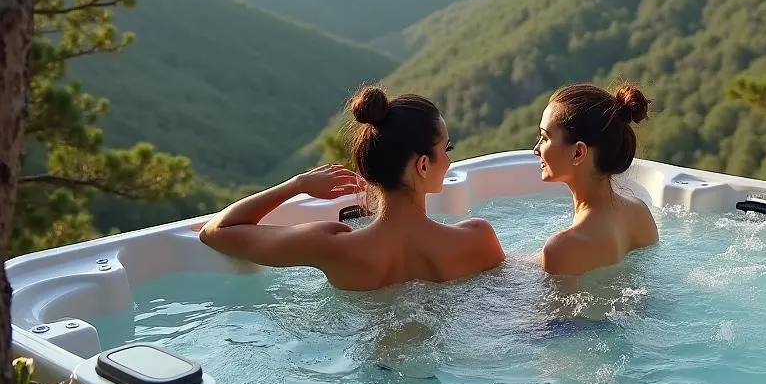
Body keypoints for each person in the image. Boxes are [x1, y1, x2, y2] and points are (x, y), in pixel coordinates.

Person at [199, 86, 505, 290]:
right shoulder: (476, 240)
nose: (450, 159)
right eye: (446, 148)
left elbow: (217, 231)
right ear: (423, 165)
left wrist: (297, 185)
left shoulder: (332, 247)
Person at [533, 82, 659, 276]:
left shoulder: (561, 248)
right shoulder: (640, 212)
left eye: (545, 138)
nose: (536, 149)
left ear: (577, 153)